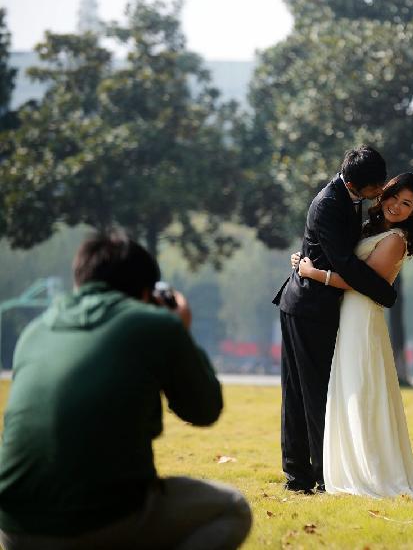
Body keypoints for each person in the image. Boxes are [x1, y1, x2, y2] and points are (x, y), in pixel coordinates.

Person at [0, 232, 251, 550]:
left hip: (14, 527)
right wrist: (181, 328)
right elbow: (204, 410)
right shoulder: (155, 324)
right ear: (146, 292)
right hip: (104, 519)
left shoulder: (34, 332)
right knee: (232, 509)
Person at [295, 172, 413, 498]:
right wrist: (307, 261)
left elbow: (360, 281)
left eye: (407, 203)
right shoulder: (371, 228)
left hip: (362, 317)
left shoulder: (394, 239)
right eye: (394, 196)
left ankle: (370, 472)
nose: (396, 205)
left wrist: (314, 274)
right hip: (347, 315)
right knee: (350, 389)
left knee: (362, 390)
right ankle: (348, 465)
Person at [273, 145, 398, 494]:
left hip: (317, 305)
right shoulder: (329, 204)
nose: (381, 190)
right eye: (376, 186)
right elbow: (343, 261)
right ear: (358, 184)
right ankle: (315, 475)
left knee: (309, 392)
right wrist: (384, 292)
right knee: (309, 394)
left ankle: (303, 476)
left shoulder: (348, 198)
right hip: (308, 307)